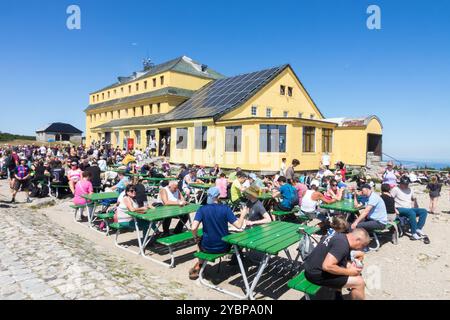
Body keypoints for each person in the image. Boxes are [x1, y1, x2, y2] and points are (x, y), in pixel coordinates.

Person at [189, 187, 246, 280]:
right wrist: (242, 214)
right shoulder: (226, 209)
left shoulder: (202, 209)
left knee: (199, 241)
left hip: (207, 246)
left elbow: (193, 227)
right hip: (223, 246)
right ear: (218, 196)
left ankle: (200, 264)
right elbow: (239, 226)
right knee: (233, 237)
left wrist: (195, 237)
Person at [303, 228, 370, 300]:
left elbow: (339, 257)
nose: (361, 248)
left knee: (351, 267)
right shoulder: (342, 245)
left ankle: (337, 294)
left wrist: (353, 266)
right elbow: (327, 266)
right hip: (315, 275)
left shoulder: (340, 236)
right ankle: (342, 291)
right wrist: (350, 272)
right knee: (360, 283)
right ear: (358, 240)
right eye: (362, 245)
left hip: (311, 267)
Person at [391, 177, 429, 241]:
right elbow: (390, 200)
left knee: (423, 211)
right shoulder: (395, 189)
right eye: (405, 184)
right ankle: (413, 233)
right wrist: (394, 209)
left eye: (407, 184)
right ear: (401, 183)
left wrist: (416, 205)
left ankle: (418, 228)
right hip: (399, 208)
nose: (406, 185)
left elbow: (413, 198)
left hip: (409, 208)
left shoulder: (410, 189)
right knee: (411, 213)